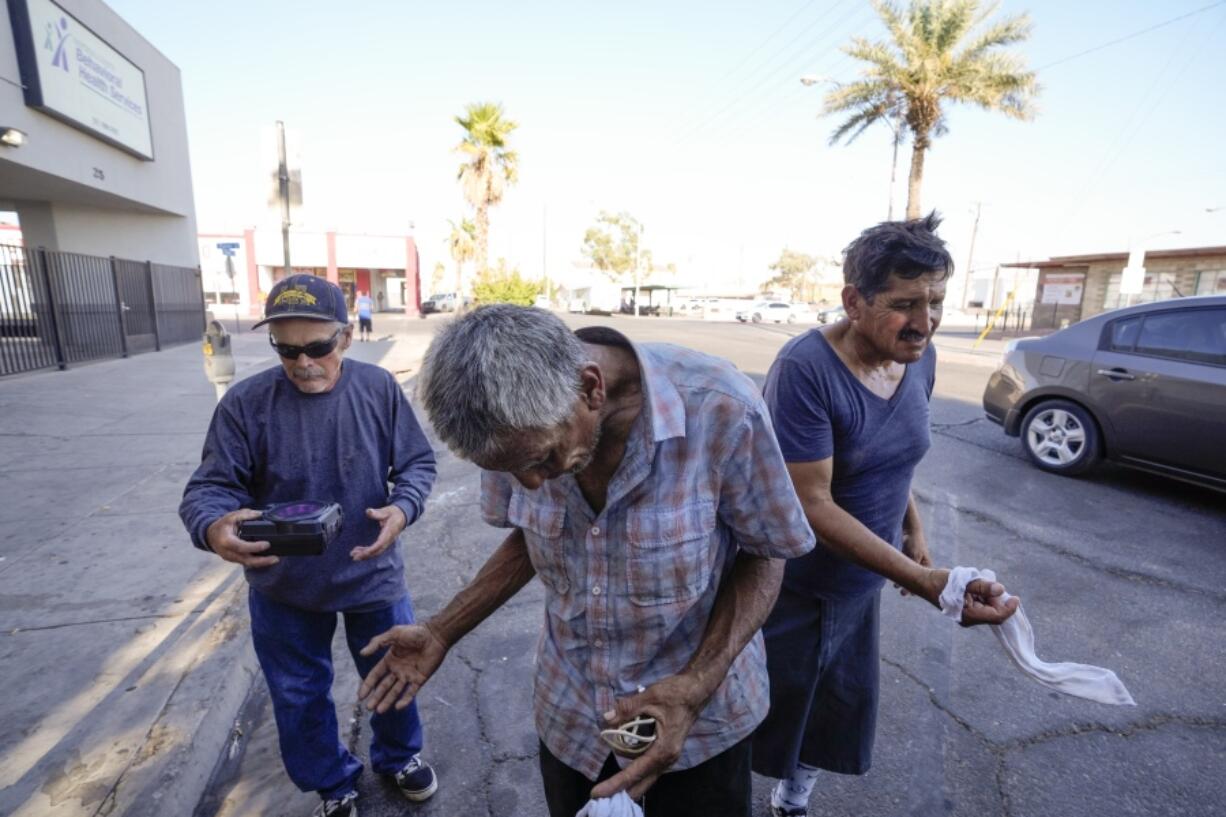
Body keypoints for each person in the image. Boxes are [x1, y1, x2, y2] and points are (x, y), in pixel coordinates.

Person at [355, 306, 815, 817]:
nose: (530, 483)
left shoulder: (721, 408)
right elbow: (529, 537)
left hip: (697, 729)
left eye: (541, 460)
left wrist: (696, 686)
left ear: (591, 388)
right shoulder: (512, 433)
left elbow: (767, 551)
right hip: (573, 720)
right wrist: (443, 630)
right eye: (511, 470)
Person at [751, 213, 1020, 817]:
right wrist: (920, 579)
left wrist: (913, 531)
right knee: (765, 706)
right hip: (794, 585)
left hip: (862, 578)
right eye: (904, 303)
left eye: (936, 301)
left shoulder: (918, 357)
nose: (925, 322)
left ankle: (793, 798)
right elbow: (811, 503)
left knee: (836, 702)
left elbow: (893, 456)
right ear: (853, 300)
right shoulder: (805, 372)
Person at [179, 274, 439, 817]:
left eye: (317, 347)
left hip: (372, 572)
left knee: (392, 671)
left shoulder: (378, 389)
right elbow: (209, 488)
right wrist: (213, 528)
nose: (303, 364)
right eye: (287, 350)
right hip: (283, 585)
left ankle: (398, 757)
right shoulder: (247, 404)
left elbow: (416, 463)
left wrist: (404, 507)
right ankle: (332, 781)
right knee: (298, 693)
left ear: (344, 338)